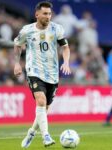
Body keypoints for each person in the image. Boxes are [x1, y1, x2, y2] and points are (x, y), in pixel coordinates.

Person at [14, 1, 71, 148]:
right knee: (40, 101)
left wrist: (66, 62)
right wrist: (16, 63)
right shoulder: (27, 30)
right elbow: (17, 45)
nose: (48, 16)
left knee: (44, 109)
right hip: (34, 71)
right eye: (45, 13)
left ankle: (32, 132)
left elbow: (65, 47)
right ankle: (46, 136)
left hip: (52, 73)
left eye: (50, 13)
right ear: (37, 14)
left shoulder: (56, 29)